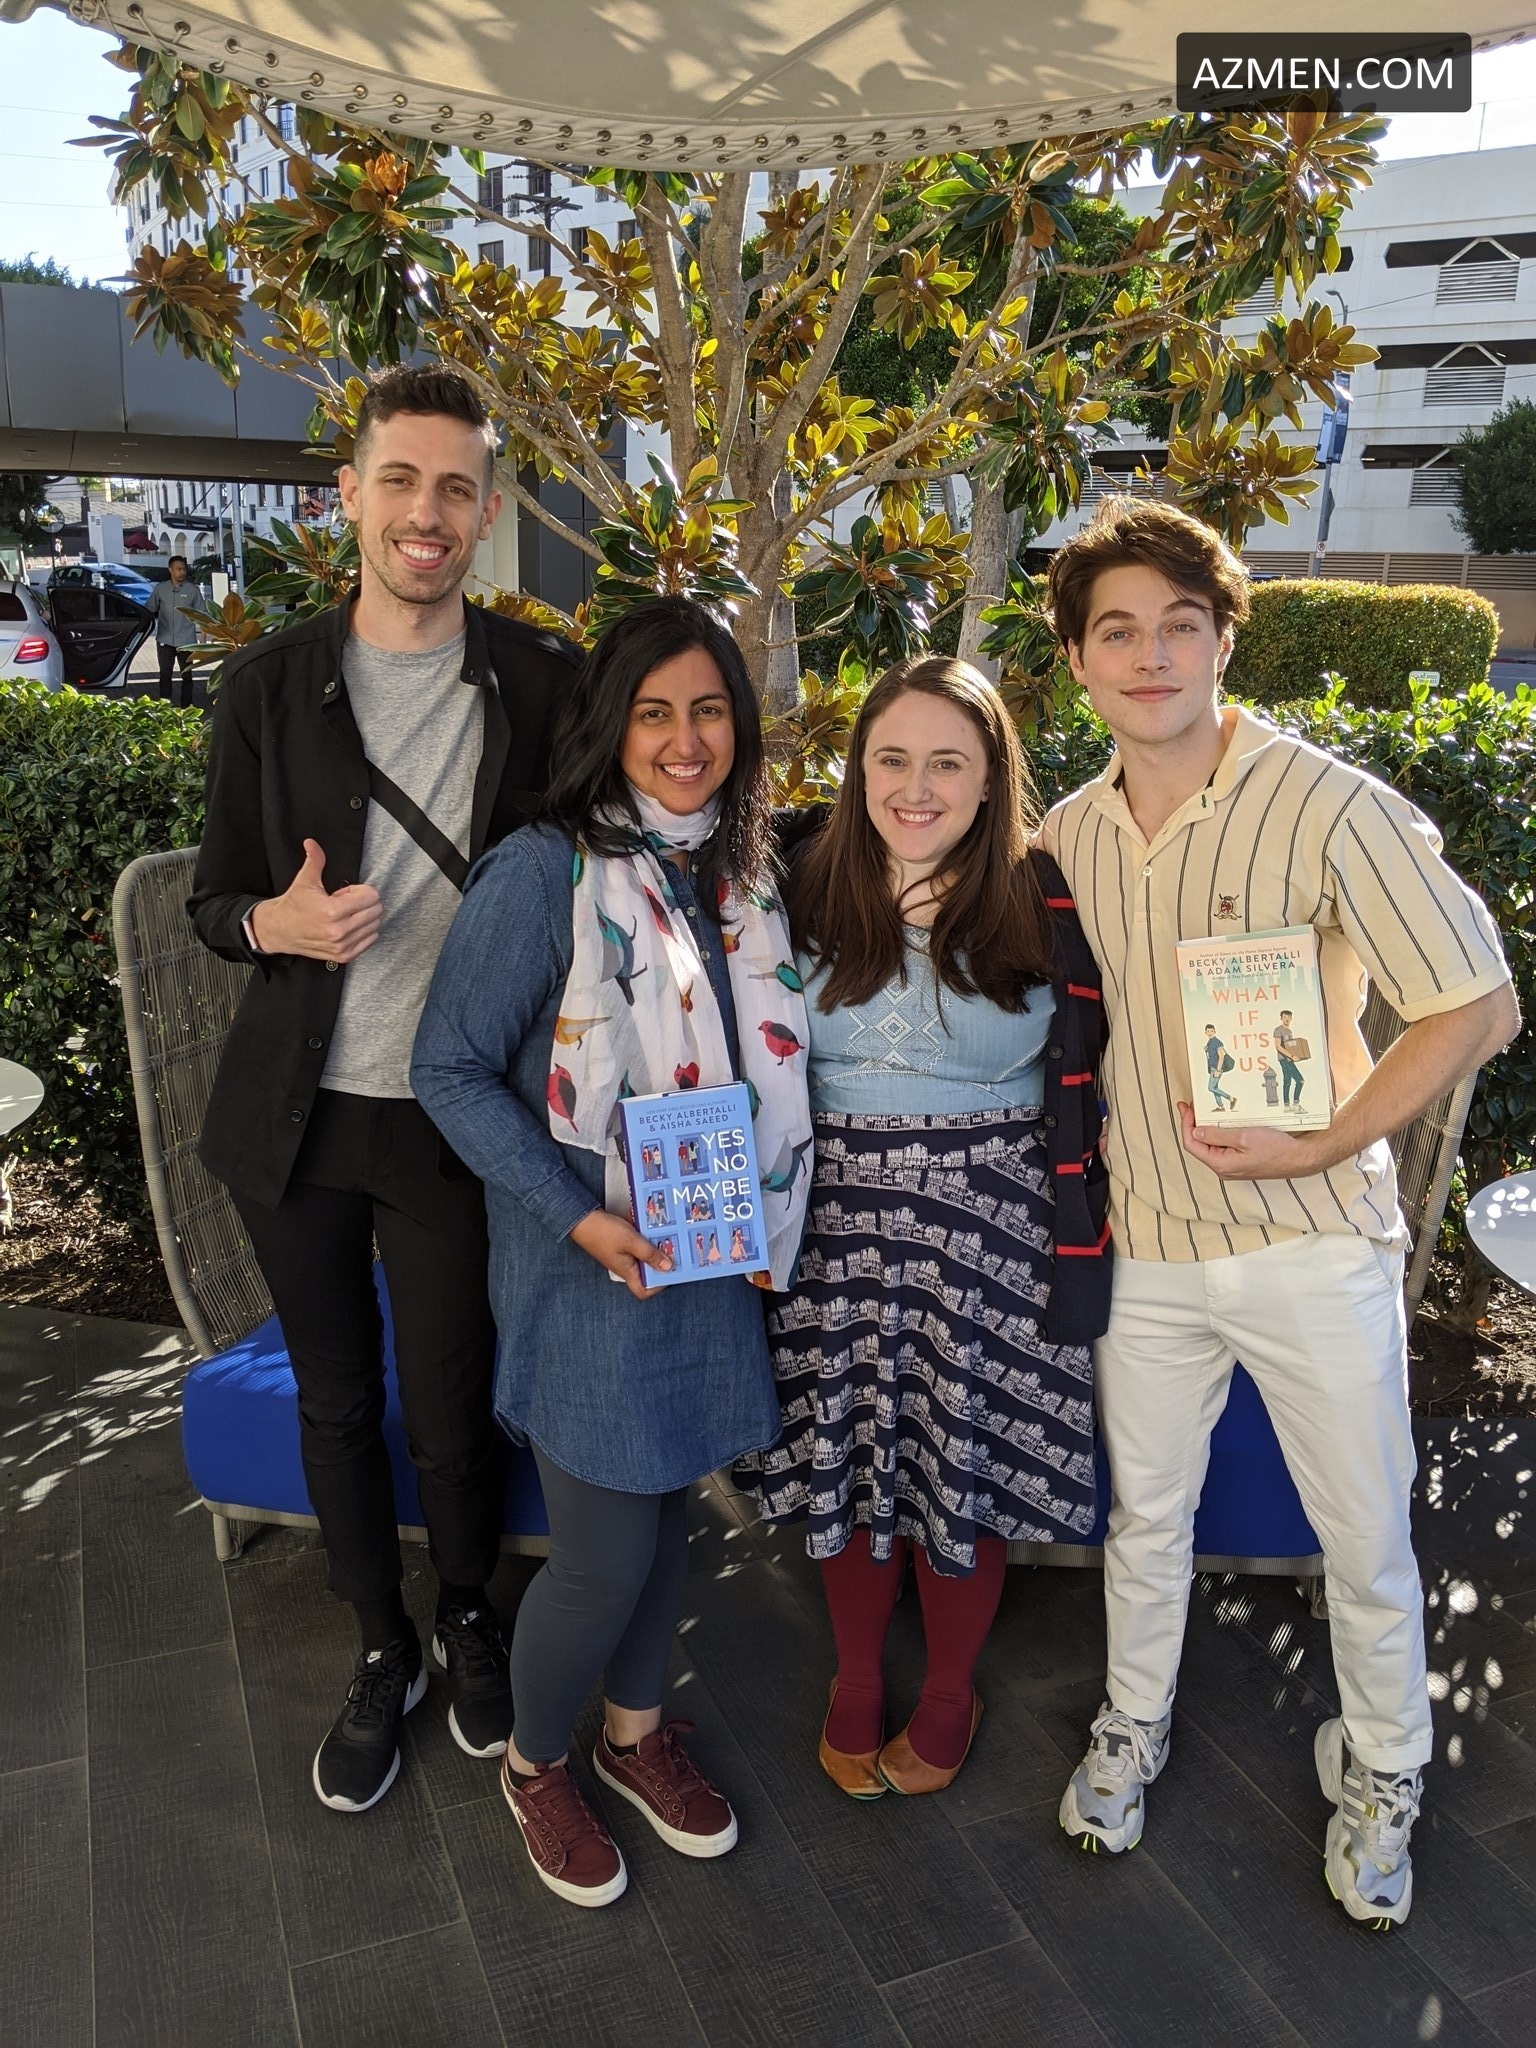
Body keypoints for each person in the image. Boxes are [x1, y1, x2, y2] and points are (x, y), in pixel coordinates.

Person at [1040, 499, 1518, 1925]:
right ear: (1078, 660)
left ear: (1224, 640)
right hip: (1148, 1245)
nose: (1151, 655)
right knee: (1145, 1520)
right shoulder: (1067, 834)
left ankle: (1385, 1768)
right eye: (1118, 631)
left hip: (1313, 1244)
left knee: (1363, 1535)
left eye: (1180, 626)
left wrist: (1327, 1135)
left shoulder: (1331, 805)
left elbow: (1477, 1005)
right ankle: (1131, 1723)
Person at [188, 364, 579, 1814]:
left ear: (487, 509)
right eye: (400, 481)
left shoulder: (542, 683)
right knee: (338, 1398)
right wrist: (270, 924)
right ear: (349, 496)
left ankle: (468, 1611)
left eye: (455, 488)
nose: (427, 512)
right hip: (296, 1118)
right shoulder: (267, 686)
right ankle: (378, 1642)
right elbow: (214, 900)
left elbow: (618, 851)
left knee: (454, 1399)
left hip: (453, 1115)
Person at [412, 597, 813, 1910]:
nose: (686, 740)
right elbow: (448, 1070)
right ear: (607, 726)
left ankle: (634, 1736)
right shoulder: (544, 874)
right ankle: (535, 1761)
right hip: (586, 1261)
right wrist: (576, 1215)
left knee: (668, 1513)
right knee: (601, 1558)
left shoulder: (741, 874)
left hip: (704, 1241)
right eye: (654, 712)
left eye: (709, 710)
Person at [737, 656, 1112, 1799]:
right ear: (858, 769)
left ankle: (950, 1688)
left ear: (992, 776)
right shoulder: (793, 885)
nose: (916, 787)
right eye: (891, 758)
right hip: (828, 1235)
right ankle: (855, 1672)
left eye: (948, 761)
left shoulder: (1048, 898)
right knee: (846, 1463)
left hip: (990, 1243)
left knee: (966, 1467)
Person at [147, 553, 200, 707]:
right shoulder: (160, 589)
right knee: (165, 675)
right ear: (170, 570)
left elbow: (202, 614)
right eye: (178, 569)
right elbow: (149, 609)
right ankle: (165, 707)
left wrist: (203, 637)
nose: (182, 572)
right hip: (165, 640)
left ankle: (187, 708)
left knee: (187, 676)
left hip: (187, 641)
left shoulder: (193, 590)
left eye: (184, 569)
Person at [1274, 1009, 1305, 1107]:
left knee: (1287, 1081)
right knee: (1300, 1080)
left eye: (1289, 1017)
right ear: (1281, 1018)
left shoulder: (1289, 1031)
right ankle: (1296, 1103)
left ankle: (1286, 1105)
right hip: (1284, 1059)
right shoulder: (1278, 1030)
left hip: (1289, 1059)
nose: (1287, 1019)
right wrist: (1291, 1056)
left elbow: (1291, 1046)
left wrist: (1297, 1055)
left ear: (1291, 1018)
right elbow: (1278, 1046)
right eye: (1284, 1017)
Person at [1203, 1023, 1235, 1111]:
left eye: (1212, 1031)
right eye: (1208, 1031)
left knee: (1211, 1088)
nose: (1210, 1033)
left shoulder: (1218, 1042)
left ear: (1215, 1032)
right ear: (1205, 1032)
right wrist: (1206, 1049)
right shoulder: (1210, 1042)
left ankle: (1231, 1098)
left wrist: (1218, 1070)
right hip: (1213, 1068)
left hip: (1217, 1068)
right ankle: (1221, 1107)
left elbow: (1221, 1057)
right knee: (1215, 1088)